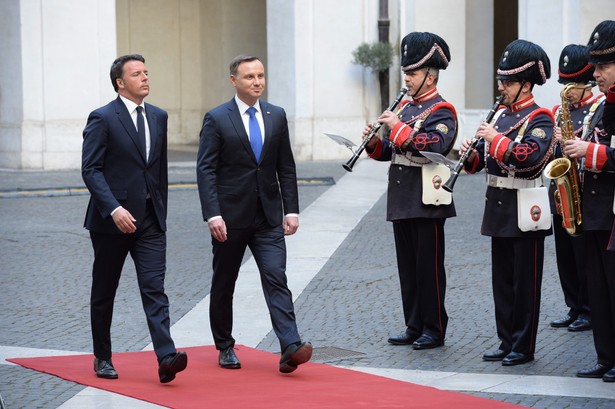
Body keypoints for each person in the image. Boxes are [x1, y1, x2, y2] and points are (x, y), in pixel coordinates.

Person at [196, 54, 312, 373]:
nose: (257, 82)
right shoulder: (217, 118)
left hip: (268, 218)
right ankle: (224, 346)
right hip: (229, 219)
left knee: (276, 277)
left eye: (260, 75)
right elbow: (205, 170)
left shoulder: (276, 115)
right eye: (249, 77)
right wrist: (212, 214)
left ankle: (290, 346)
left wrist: (292, 210)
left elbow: (285, 167)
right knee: (224, 283)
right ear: (234, 80)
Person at [81, 54, 187, 383]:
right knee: (105, 291)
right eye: (136, 73)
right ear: (120, 82)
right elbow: (91, 169)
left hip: (151, 221)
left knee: (155, 289)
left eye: (146, 71)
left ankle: (166, 357)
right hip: (112, 222)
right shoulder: (102, 118)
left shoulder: (158, 116)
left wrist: (161, 210)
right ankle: (102, 357)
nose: (145, 77)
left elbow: (158, 171)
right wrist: (113, 208)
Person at [460, 39, 554, 366]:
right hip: (498, 204)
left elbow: (528, 157)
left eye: (509, 82)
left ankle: (523, 345)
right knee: (501, 280)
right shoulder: (500, 114)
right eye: (501, 81)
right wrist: (468, 154)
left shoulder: (540, 117)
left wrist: (493, 139)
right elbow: (484, 164)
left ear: (526, 85)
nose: (502, 87)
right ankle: (505, 339)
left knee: (524, 282)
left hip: (526, 204)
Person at [363, 32, 457, 350]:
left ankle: (434, 327)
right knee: (408, 268)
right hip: (402, 197)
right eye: (406, 72)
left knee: (428, 268)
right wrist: (375, 142)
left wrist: (397, 128)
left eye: (412, 73)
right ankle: (414, 324)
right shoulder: (405, 108)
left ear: (430, 76)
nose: (407, 77)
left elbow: (435, 145)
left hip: (427, 197)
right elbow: (392, 150)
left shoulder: (443, 110)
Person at [562, 20, 615, 383]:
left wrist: (589, 151)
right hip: (595, 212)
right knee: (597, 289)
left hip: (613, 214)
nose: (596, 74)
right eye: (595, 67)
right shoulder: (602, 106)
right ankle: (605, 356)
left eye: (603, 67)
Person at [546, 44, 596, 333]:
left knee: (583, 256)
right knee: (564, 254)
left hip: (583, 193)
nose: (567, 89)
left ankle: (589, 308)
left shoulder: (596, 108)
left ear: (586, 83)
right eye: (564, 83)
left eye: (572, 84)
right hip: (561, 191)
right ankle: (573, 305)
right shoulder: (558, 112)